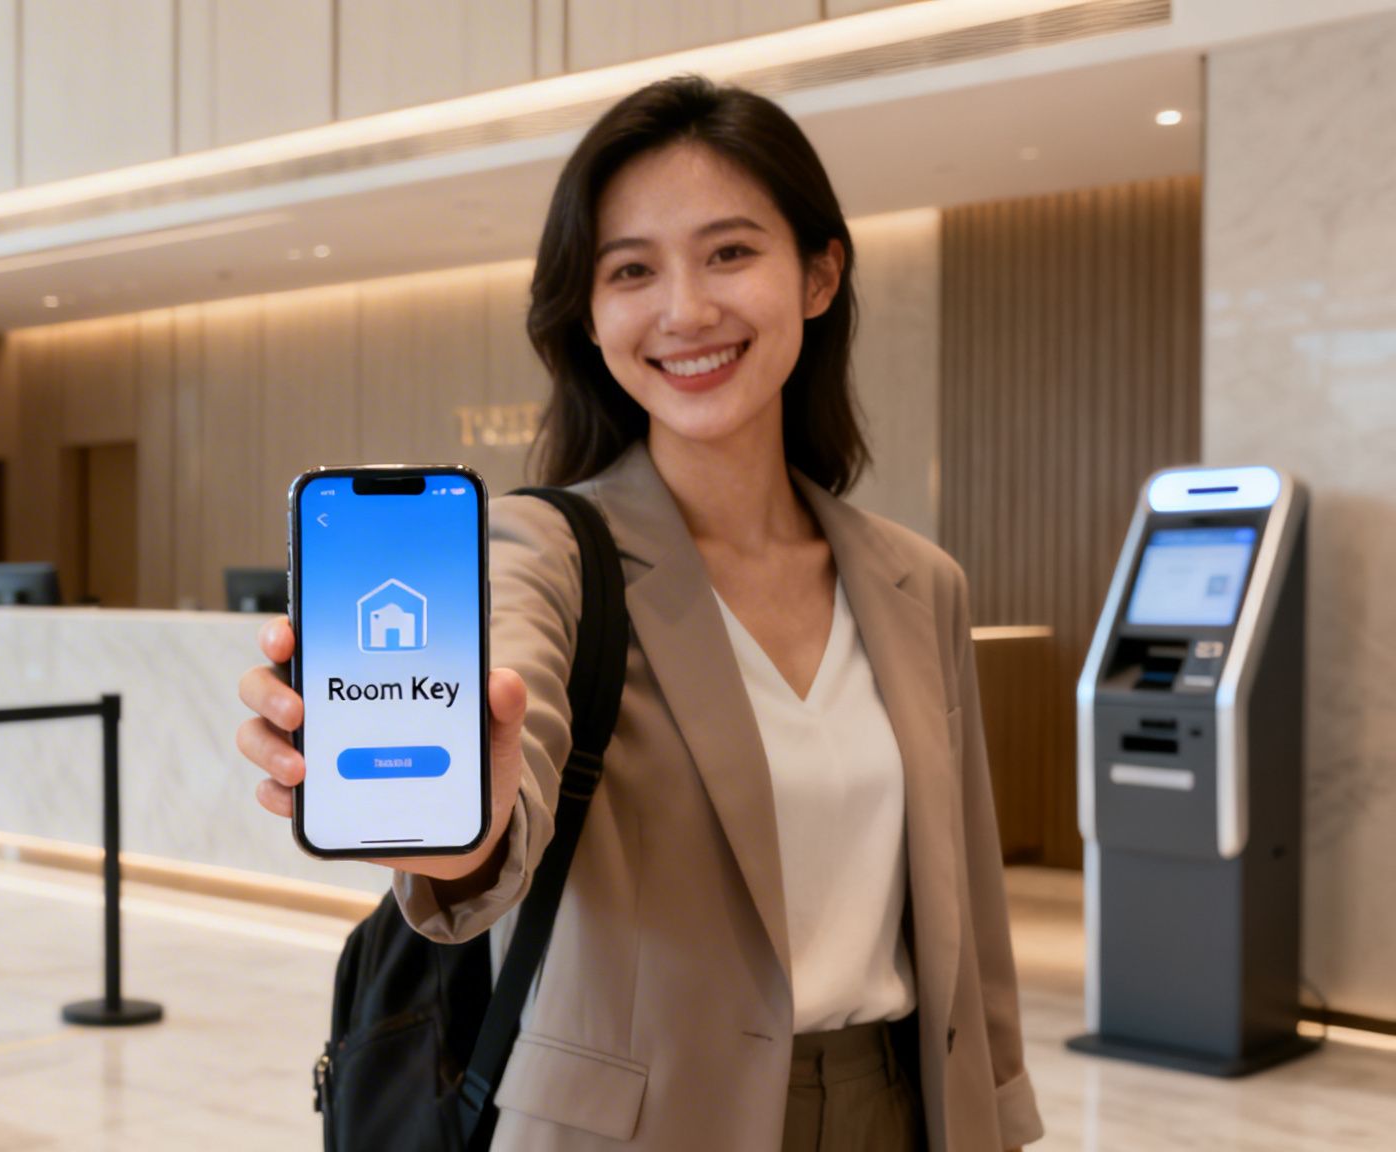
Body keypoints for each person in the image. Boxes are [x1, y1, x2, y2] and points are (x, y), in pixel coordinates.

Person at [237, 76, 1041, 1151]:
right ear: (588, 312)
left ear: (817, 272)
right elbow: (499, 800)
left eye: (728, 252)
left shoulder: (916, 583)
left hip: (894, 1111)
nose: (684, 311)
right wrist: (465, 830)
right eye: (630, 270)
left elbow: (964, 920)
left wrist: (998, 1113)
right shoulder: (544, 552)